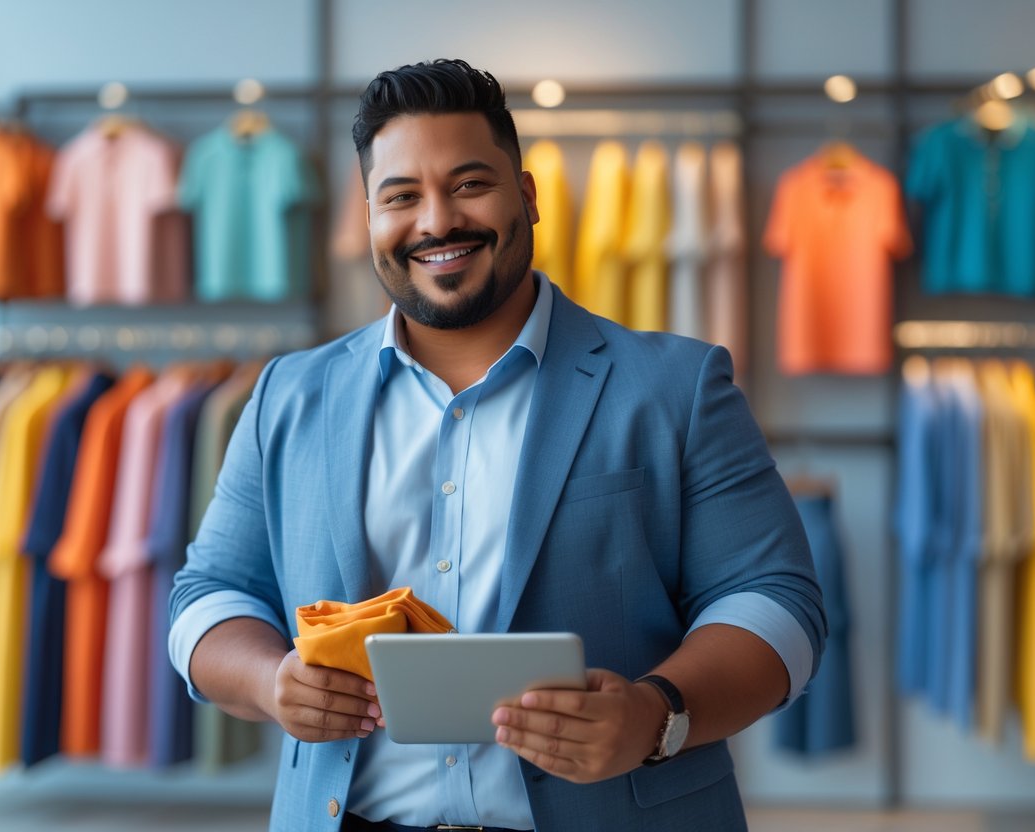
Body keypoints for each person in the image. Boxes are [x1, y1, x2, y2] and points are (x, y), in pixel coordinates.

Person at [170, 58, 826, 832]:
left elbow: (776, 604)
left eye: (469, 184)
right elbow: (206, 595)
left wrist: (656, 715)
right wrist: (268, 680)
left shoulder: (675, 385)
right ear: (372, 218)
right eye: (401, 197)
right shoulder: (290, 394)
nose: (436, 221)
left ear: (526, 196)